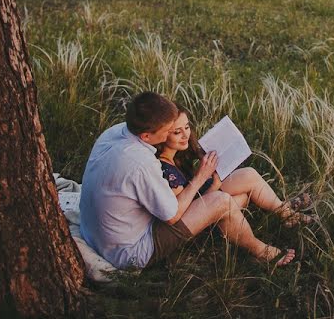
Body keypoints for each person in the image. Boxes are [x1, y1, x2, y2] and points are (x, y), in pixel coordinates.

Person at [79, 92, 297, 269]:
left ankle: (284, 212)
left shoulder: (116, 132)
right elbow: (172, 216)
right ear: (146, 136)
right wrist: (201, 176)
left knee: (242, 184)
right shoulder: (141, 163)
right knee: (221, 201)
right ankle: (260, 252)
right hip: (130, 250)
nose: (169, 137)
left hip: (100, 232)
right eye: (168, 132)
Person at [156, 105, 316, 232]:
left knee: (249, 176)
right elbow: (193, 213)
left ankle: (284, 210)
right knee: (242, 197)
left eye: (187, 127)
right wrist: (214, 185)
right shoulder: (166, 172)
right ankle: (286, 212)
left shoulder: (178, 152)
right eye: (177, 132)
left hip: (204, 191)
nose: (186, 135)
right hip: (202, 208)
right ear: (162, 135)